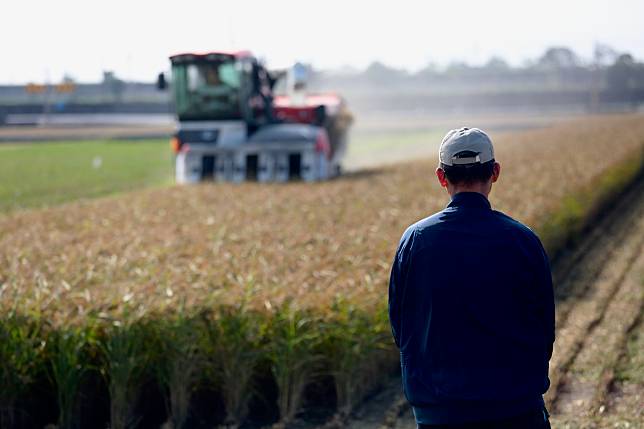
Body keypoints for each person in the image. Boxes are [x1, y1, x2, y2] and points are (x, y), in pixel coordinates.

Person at [388, 127, 555, 429]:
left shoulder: (415, 241)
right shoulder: (523, 241)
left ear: (441, 177)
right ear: (495, 172)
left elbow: (400, 328)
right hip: (517, 411)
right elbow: (545, 329)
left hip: (440, 415)